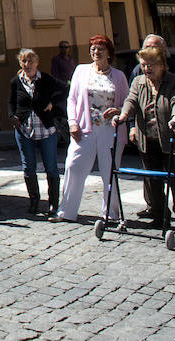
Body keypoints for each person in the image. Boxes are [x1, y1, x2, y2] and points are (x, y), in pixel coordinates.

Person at [50, 35, 128, 223]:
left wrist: (119, 110)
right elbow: (72, 99)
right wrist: (72, 122)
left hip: (110, 130)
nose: (96, 52)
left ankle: (110, 213)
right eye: (93, 48)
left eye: (100, 48)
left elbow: (127, 103)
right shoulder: (81, 71)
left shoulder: (118, 76)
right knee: (73, 166)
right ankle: (66, 211)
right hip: (85, 128)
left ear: (109, 53)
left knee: (109, 171)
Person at [113, 46, 175, 231]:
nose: (146, 69)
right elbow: (131, 100)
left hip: (173, 140)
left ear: (162, 65)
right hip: (148, 140)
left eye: (151, 65)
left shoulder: (174, 81)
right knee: (153, 181)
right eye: (143, 65)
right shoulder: (139, 82)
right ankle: (159, 216)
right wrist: (123, 116)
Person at [8, 48, 64, 215]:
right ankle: (34, 201)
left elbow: (65, 89)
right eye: (24, 61)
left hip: (46, 129)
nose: (28, 64)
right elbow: (11, 101)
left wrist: (52, 102)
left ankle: (53, 203)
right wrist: (12, 115)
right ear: (20, 64)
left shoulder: (46, 79)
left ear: (37, 62)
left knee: (51, 167)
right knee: (29, 166)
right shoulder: (15, 82)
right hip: (25, 130)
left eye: (31, 61)